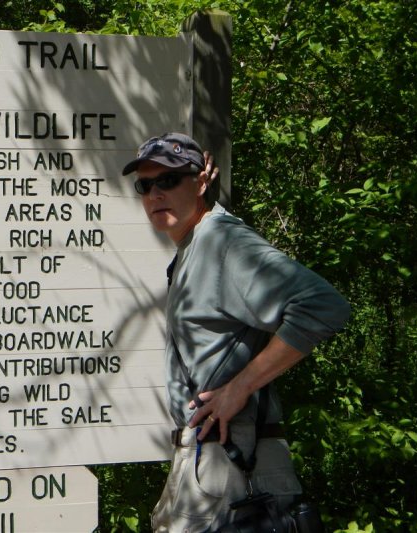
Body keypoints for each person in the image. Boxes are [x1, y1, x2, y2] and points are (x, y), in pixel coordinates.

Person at [122, 133, 350, 532]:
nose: (156, 193)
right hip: (211, 465)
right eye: (146, 184)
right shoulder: (195, 246)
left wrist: (239, 387)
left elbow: (323, 306)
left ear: (201, 181)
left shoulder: (221, 241)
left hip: (233, 467)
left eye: (170, 180)